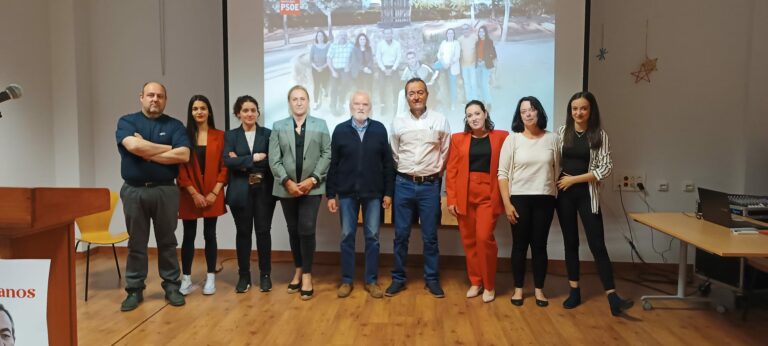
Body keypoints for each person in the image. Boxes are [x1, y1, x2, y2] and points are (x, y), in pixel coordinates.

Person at [556, 91, 634, 316]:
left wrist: (575, 179)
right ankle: (574, 291)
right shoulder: (562, 133)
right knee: (570, 243)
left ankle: (612, 297)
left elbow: (605, 167)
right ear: (570, 111)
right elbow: (554, 162)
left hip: (586, 194)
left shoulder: (599, 135)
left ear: (591, 111)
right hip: (564, 196)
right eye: (574, 109)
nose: (578, 113)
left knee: (597, 245)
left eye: (583, 108)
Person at [116, 81, 190, 311]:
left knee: (167, 241)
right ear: (141, 97)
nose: (155, 99)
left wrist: (146, 148)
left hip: (165, 190)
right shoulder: (127, 121)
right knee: (136, 242)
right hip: (134, 190)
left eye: (160, 96)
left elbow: (185, 154)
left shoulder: (175, 124)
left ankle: (171, 286)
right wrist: (166, 148)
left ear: (165, 100)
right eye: (150, 95)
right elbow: (133, 147)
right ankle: (134, 289)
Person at [387, 78, 451, 298]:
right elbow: (395, 154)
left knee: (430, 236)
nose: (416, 97)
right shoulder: (397, 122)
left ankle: (432, 280)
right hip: (403, 184)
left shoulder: (440, 120)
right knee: (401, 235)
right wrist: (407, 173)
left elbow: (445, 153)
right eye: (411, 93)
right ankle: (398, 279)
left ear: (427, 94)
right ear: (406, 97)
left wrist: (431, 174)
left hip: (430, 187)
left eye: (420, 92)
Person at [326, 91, 394, 299]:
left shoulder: (380, 129)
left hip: (373, 193)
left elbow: (387, 164)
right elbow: (334, 164)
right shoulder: (340, 130)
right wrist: (330, 194)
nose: (361, 107)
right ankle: (346, 281)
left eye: (365, 104)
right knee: (347, 236)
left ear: (370, 107)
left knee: (372, 237)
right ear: (350, 106)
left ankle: (371, 280)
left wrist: (388, 193)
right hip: (346, 193)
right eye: (357, 103)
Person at [269, 85, 331, 301]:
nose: (298, 102)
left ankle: (306, 274)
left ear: (308, 102)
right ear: (289, 103)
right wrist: (287, 182)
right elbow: (273, 159)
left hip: (312, 188)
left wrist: (312, 179)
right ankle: (297, 268)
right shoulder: (278, 126)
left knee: (306, 228)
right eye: (294, 99)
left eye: (302, 98)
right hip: (287, 189)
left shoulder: (320, 125)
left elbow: (326, 154)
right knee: (293, 229)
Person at [497, 96, 559, 308]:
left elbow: (557, 171)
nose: (529, 114)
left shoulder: (553, 139)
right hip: (519, 199)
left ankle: (540, 290)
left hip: (545, 199)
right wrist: (507, 203)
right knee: (519, 246)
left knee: (540, 245)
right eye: (524, 111)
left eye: (532, 110)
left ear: (539, 112)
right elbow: (502, 173)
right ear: (519, 116)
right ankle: (518, 289)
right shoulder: (512, 140)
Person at [446, 100, 508, 303]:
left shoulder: (501, 137)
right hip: (464, 196)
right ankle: (476, 282)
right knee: (469, 241)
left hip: (488, 197)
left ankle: (489, 285)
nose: (473, 118)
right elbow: (452, 171)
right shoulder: (458, 139)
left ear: (485, 114)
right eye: (469, 115)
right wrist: (451, 199)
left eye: (477, 113)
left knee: (484, 239)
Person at [223, 95, 277, 294]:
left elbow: (271, 160)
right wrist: (254, 158)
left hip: (264, 191)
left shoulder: (268, 134)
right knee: (243, 233)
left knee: (263, 232)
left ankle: (265, 275)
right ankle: (244, 275)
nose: (249, 114)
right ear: (238, 113)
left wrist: (241, 161)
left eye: (253, 110)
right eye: (245, 110)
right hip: (240, 192)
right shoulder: (230, 136)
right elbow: (227, 161)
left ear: (258, 112)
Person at [177, 95, 228, 296]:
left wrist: (215, 192)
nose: (199, 112)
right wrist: (193, 193)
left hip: (212, 194)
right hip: (190, 194)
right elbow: (180, 167)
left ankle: (210, 278)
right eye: (195, 108)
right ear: (191, 112)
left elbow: (225, 167)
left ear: (209, 111)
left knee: (210, 234)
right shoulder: (183, 136)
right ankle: (186, 279)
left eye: (203, 108)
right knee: (188, 236)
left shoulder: (220, 136)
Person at [397, 51, 439, 115]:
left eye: (412, 58)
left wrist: (431, 82)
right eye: (409, 59)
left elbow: (436, 72)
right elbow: (402, 82)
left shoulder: (424, 66)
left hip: (425, 89)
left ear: (416, 58)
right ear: (407, 61)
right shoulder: (407, 70)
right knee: (401, 93)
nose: (411, 60)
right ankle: (399, 116)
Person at [375, 28, 402, 115]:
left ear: (392, 34)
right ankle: (383, 105)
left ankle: (395, 105)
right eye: (386, 34)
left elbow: (399, 57)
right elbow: (378, 58)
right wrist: (384, 69)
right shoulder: (380, 45)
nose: (388, 35)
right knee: (381, 85)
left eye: (389, 33)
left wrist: (393, 69)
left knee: (396, 85)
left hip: (393, 68)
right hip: (383, 68)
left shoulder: (397, 44)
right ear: (384, 35)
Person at [327, 31, 354, 115]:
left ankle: (341, 103)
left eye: (344, 35)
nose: (342, 37)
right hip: (335, 69)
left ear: (347, 37)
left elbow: (354, 58)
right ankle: (332, 106)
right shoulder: (333, 45)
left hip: (345, 70)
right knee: (334, 88)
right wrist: (333, 71)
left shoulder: (351, 46)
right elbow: (329, 59)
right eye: (341, 35)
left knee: (345, 85)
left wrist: (349, 66)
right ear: (338, 37)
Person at [436, 28, 461, 111]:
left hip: (452, 66)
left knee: (452, 85)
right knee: (433, 68)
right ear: (446, 34)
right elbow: (439, 54)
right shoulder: (443, 43)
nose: (450, 34)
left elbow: (457, 56)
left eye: (451, 33)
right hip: (443, 64)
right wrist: (443, 63)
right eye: (448, 33)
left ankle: (453, 103)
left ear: (454, 34)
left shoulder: (456, 43)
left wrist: (449, 64)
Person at [475, 25, 497, 109]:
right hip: (478, 66)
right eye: (479, 31)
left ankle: (489, 103)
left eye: (482, 31)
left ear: (485, 32)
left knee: (485, 84)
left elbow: (494, 54)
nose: (481, 33)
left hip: (485, 66)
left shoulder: (489, 42)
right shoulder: (477, 42)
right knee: (480, 84)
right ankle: (482, 101)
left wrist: (486, 60)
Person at [310, 30, 330, 110]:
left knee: (325, 82)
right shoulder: (314, 47)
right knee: (316, 85)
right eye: (318, 36)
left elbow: (329, 59)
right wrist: (317, 67)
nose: (320, 37)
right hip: (315, 69)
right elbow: (311, 59)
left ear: (324, 37)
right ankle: (315, 102)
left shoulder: (327, 46)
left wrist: (323, 67)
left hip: (325, 68)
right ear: (316, 37)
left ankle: (325, 89)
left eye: (321, 36)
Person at [458, 23, 478, 102]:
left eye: (466, 28)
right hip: (463, 65)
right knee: (466, 83)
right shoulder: (460, 39)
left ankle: (475, 99)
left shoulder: (475, 38)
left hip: (473, 65)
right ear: (462, 31)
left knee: (473, 82)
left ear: (469, 30)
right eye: (463, 29)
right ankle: (469, 99)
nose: (465, 30)